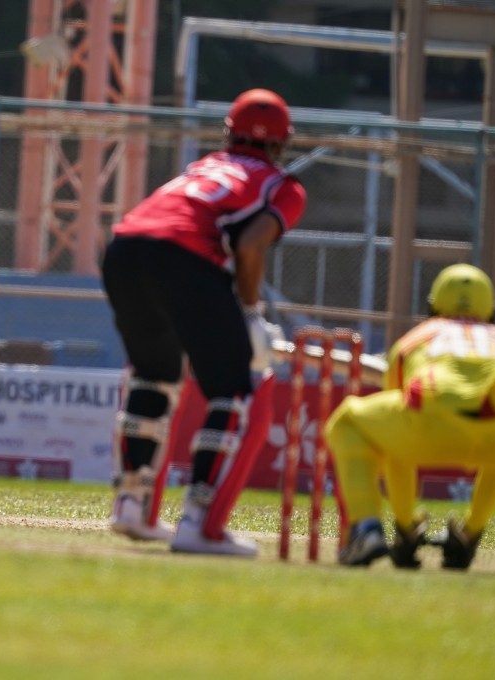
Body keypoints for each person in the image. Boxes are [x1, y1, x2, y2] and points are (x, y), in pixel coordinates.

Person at [103, 88, 306, 556]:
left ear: (229, 133)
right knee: (232, 390)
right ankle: (199, 523)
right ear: (282, 141)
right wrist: (251, 313)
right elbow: (250, 245)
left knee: (153, 377)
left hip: (124, 249)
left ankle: (130, 504)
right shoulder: (283, 186)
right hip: (184, 259)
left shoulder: (202, 167)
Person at [326, 264, 495, 570]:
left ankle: (374, 530)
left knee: (349, 422)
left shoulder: (418, 337)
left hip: (430, 420)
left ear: (433, 306)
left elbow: (398, 406)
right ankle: (469, 534)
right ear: (491, 309)